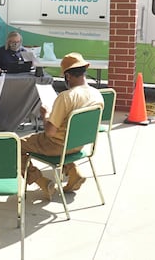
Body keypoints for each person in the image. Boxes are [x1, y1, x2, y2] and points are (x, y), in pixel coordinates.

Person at [21, 52, 104, 200]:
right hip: (79, 144)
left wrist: (45, 115)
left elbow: (50, 132)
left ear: (68, 76)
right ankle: (74, 173)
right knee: (64, 134)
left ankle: (41, 181)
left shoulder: (66, 97)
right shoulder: (97, 94)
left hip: (57, 145)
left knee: (16, 145)